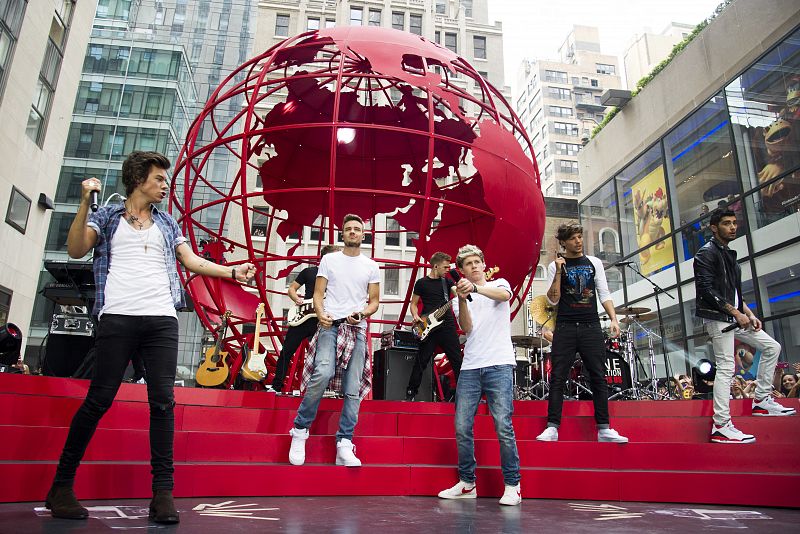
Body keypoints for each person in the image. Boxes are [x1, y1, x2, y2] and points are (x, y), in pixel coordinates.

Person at [46, 151, 255, 523]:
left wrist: (231, 272)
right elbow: (77, 248)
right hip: (118, 317)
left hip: (160, 319)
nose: (164, 186)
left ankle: (162, 495)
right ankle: (61, 486)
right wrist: (82, 203)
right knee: (99, 398)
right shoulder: (107, 215)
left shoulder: (168, 223)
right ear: (139, 177)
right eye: (159, 179)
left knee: (163, 403)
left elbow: (191, 261)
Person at [694, 209, 795, 445]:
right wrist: (737, 313)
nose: (732, 227)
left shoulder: (729, 254)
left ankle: (761, 401)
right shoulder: (705, 254)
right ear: (714, 227)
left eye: (734, 223)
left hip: (735, 316)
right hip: (718, 318)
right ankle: (720, 425)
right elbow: (707, 291)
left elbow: (735, 293)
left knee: (772, 347)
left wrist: (749, 314)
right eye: (726, 223)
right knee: (727, 367)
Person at [288, 214, 380, 468]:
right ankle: (300, 430)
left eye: (357, 229)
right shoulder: (329, 260)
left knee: (352, 389)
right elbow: (318, 294)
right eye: (348, 228)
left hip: (357, 329)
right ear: (343, 234)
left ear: (363, 235)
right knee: (322, 373)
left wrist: (361, 314)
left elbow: (374, 301)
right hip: (330, 326)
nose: (352, 232)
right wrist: (320, 314)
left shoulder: (371, 265)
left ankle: (345, 443)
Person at [437, 244, 522, 506]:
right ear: (461, 271)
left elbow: (504, 296)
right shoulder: (456, 296)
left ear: (484, 264)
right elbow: (467, 328)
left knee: (502, 425)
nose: (474, 266)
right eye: (468, 264)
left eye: (477, 262)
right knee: (462, 426)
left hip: (499, 364)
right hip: (471, 365)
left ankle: (513, 485)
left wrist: (474, 289)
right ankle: (467, 483)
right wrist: (462, 298)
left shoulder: (500, 283)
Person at [536, 223, 628, 444]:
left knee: (598, 375)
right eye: (573, 238)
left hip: (591, 326)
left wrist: (614, 319)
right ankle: (552, 427)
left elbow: (604, 293)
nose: (578, 241)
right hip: (565, 327)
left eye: (580, 237)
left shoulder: (594, 263)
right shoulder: (554, 267)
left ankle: (604, 428)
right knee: (558, 376)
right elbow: (553, 299)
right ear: (564, 243)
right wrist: (559, 270)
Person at [266, 244, 340, 393]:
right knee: (287, 351)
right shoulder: (309, 272)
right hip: (302, 317)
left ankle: (324, 389)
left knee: (324, 355)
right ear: (326, 258)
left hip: (322, 320)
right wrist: (296, 298)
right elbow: (292, 288)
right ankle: (276, 386)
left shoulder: (339, 277)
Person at [405, 252, 463, 401]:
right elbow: (414, 304)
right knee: (421, 360)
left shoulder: (448, 283)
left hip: (447, 325)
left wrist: (462, 289)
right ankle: (411, 393)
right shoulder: (421, 283)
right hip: (428, 326)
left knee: (457, 359)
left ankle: (464, 394)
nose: (447, 270)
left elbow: (457, 294)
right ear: (435, 266)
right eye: (445, 267)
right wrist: (416, 316)